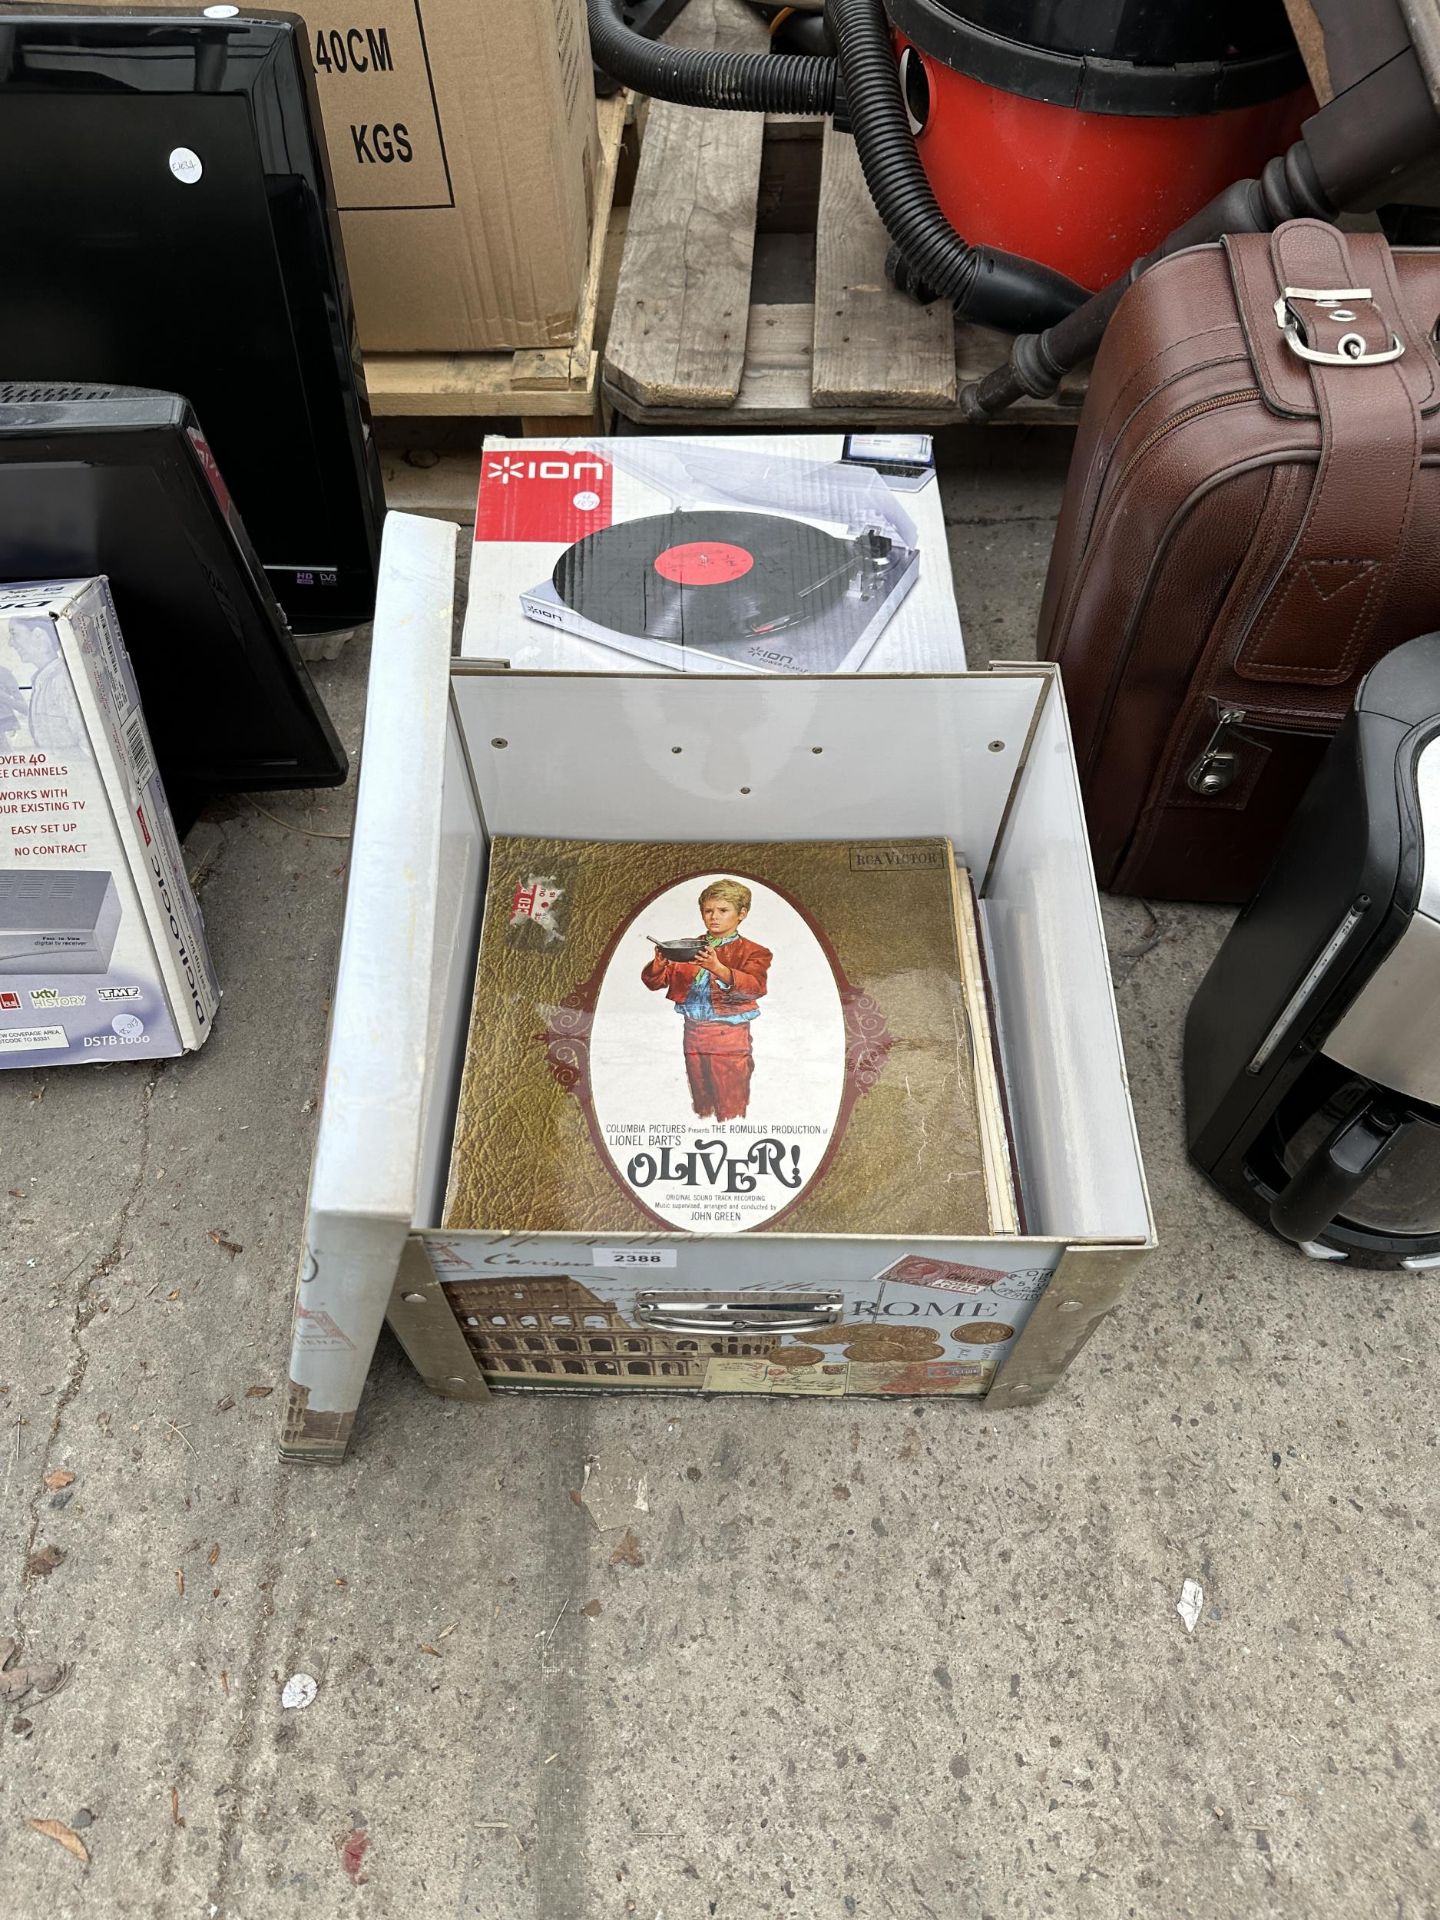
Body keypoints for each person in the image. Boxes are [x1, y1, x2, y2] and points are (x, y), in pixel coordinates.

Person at [642, 878, 772, 1122]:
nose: (714, 917)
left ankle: (733, 1135)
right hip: (692, 1031)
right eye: (708, 911)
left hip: (728, 1034)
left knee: (729, 1099)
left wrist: (717, 967)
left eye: (723, 911)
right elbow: (655, 983)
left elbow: (754, 988)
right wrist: (659, 964)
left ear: (742, 914)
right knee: (701, 1099)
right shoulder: (687, 946)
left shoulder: (753, 951)